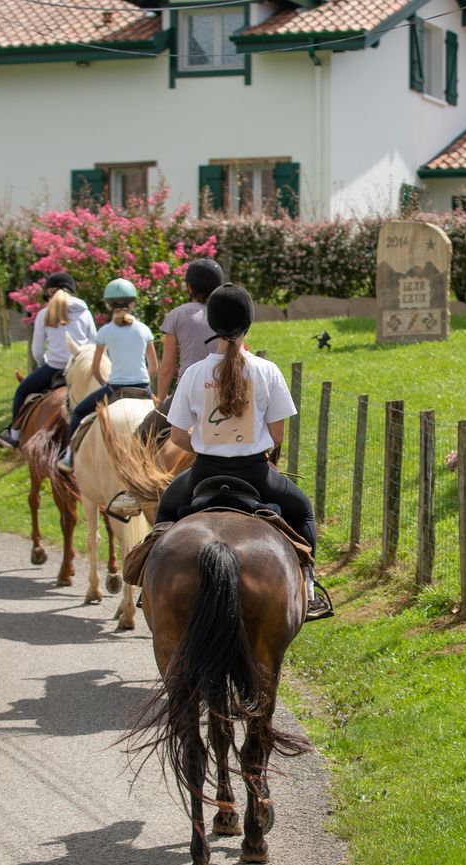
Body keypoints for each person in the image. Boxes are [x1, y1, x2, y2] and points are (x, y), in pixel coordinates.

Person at [156, 284, 331, 620]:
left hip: (203, 473)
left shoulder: (193, 373)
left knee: (164, 511)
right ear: (248, 323)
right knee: (304, 511)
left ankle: (147, 588)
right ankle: (309, 584)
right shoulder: (267, 371)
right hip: (257, 474)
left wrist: (210, 445)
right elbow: (277, 435)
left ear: (212, 323)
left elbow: (178, 436)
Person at [56, 278, 156, 472]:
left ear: (109, 305)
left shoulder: (104, 332)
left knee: (77, 412)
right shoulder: (144, 329)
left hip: (115, 388)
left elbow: (95, 369)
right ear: (133, 303)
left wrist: (105, 383)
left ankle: (69, 456)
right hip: (143, 388)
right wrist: (146, 381)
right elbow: (154, 366)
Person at [0, 271, 94, 448]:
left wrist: (44, 364)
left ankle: (14, 436)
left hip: (54, 368)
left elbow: (37, 350)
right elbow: (93, 343)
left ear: (49, 293)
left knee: (22, 392)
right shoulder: (84, 312)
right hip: (79, 368)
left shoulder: (44, 314)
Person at [157, 259, 225, 400]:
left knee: (148, 423)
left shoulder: (176, 315)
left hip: (187, 390)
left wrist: (161, 400)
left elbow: (166, 369)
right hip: (222, 388)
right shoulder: (225, 315)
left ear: (189, 287)